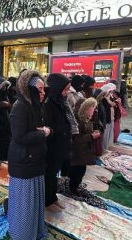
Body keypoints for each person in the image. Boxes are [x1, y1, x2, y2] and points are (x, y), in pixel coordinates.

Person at [8, 69, 49, 240]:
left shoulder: (33, 105)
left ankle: (33, 231)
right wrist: (43, 133)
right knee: (24, 204)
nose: (43, 93)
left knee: (32, 202)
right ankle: (23, 234)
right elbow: (19, 136)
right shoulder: (21, 107)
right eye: (39, 89)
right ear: (29, 89)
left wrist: (41, 131)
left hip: (33, 161)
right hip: (24, 162)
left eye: (43, 89)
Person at [44, 73, 75, 212]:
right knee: (49, 175)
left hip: (61, 145)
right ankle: (47, 200)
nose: (67, 92)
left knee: (54, 174)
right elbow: (50, 127)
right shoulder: (48, 104)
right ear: (57, 88)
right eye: (65, 89)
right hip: (52, 147)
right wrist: (63, 129)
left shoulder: (60, 102)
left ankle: (53, 197)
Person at [68, 98, 101, 194]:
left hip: (82, 151)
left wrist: (92, 133)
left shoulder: (85, 118)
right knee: (78, 171)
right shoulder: (77, 121)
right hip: (77, 152)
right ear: (86, 108)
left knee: (80, 170)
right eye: (92, 108)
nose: (94, 110)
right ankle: (73, 189)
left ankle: (74, 187)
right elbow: (76, 139)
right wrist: (91, 136)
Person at [96, 83, 117, 150]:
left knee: (108, 135)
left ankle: (106, 147)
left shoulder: (108, 98)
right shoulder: (103, 100)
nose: (111, 93)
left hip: (108, 119)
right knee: (104, 136)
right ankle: (104, 148)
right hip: (105, 121)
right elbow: (103, 111)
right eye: (109, 91)